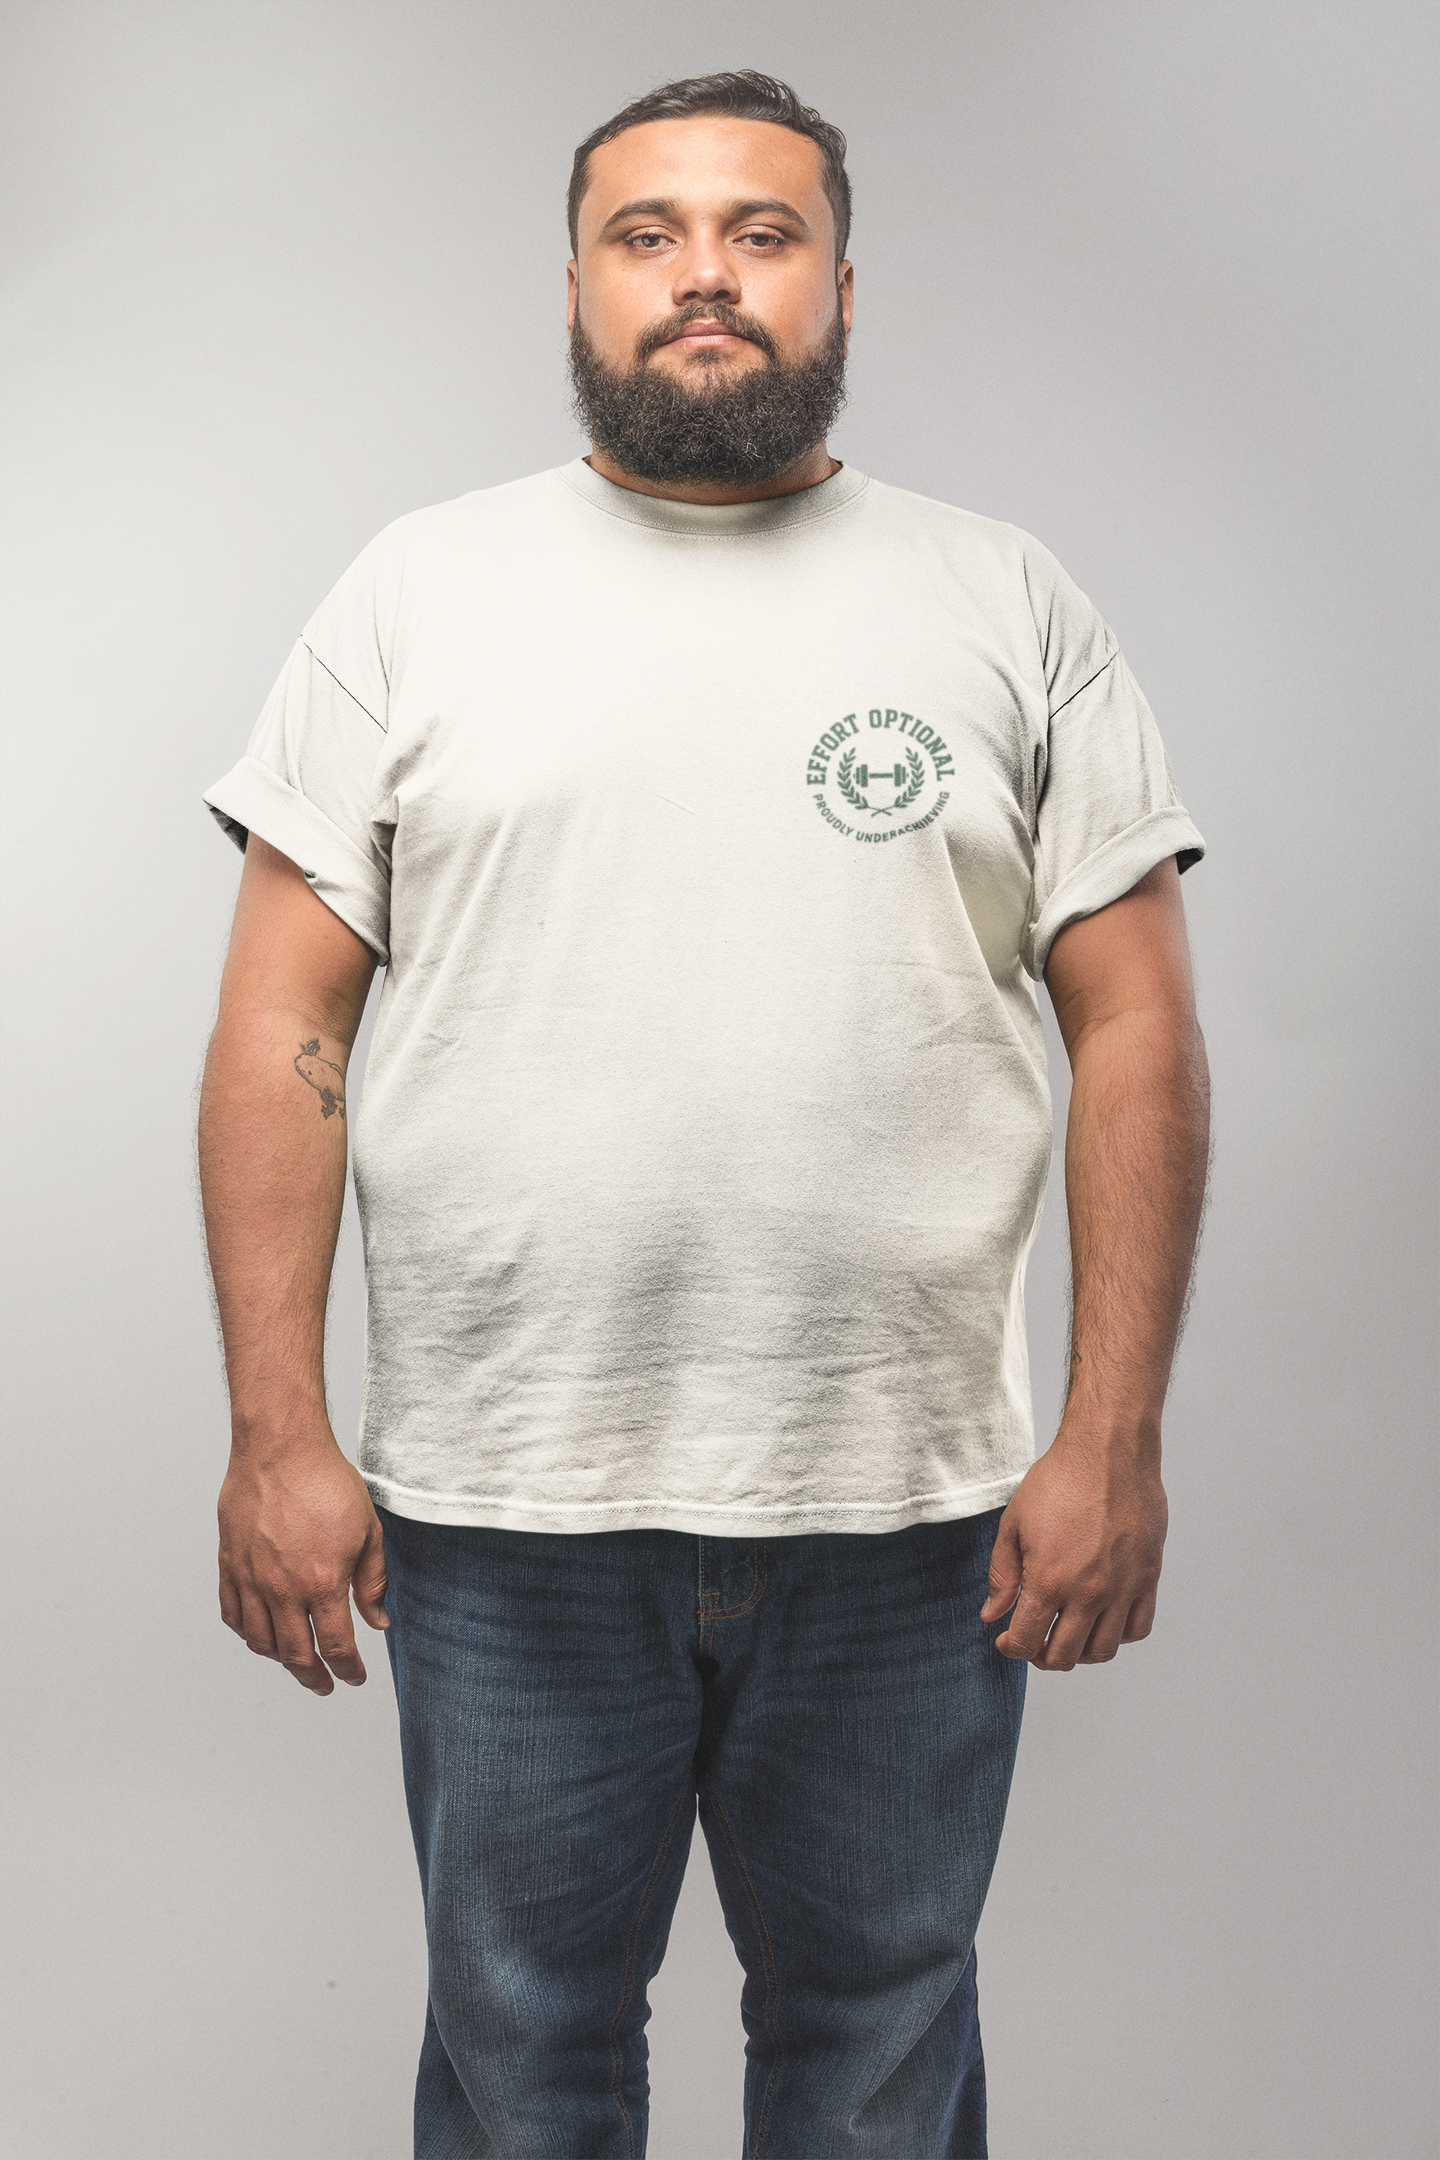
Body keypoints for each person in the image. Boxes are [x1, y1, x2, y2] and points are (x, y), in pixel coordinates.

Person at [198, 69, 1209, 2160]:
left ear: (846, 278)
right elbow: (280, 1030)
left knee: (876, 2049)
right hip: (501, 1503)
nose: (704, 280)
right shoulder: (418, 593)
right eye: (647, 235)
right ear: (573, 282)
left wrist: (1111, 1435)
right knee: (521, 2054)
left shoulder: (1004, 599)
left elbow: (1136, 1035)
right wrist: (276, 1432)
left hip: (912, 1511)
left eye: (760, 232)